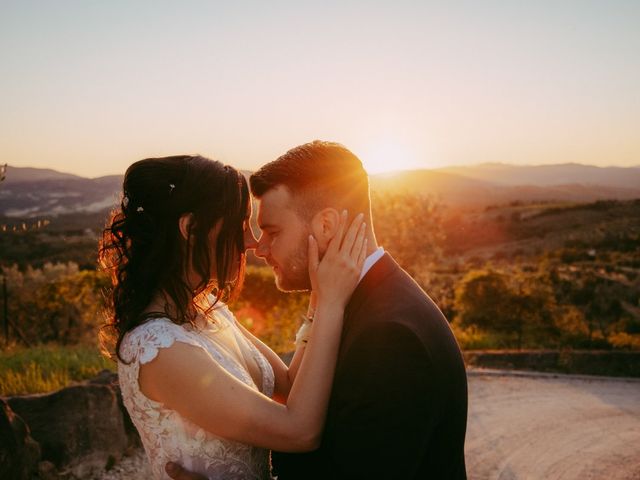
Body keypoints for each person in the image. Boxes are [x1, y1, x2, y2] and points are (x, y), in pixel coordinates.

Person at [167, 141, 468, 480]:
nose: (259, 249)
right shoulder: (362, 303)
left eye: (273, 231)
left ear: (325, 227)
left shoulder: (390, 336)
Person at [99, 154, 367, 479]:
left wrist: (317, 299)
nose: (252, 243)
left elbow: (289, 386)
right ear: (191, 228)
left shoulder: (208, 309)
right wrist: (330, 306)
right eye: (239, 226)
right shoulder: (159, 349)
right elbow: (298, 431)